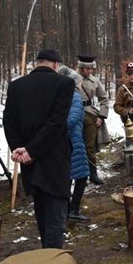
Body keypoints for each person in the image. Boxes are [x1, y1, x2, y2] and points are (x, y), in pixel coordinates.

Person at [3, 49, 74, 249]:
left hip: (29, 161)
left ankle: (47, 259)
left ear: (38, 63)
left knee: (42, 212)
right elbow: (56, 123)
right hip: (53, 159)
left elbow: (8, 120)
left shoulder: (17, 86)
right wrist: (30, 151)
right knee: (55, 217)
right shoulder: (64, 83)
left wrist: (20, 148)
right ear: (55, 64)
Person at [58, 65, 90, 223]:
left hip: (66, 140)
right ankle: (73, 210)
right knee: (82, 175)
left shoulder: (60, 95)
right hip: (73, 140)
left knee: (68, 175)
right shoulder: (74, 96)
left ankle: (66, 210)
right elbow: (72, 118)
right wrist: (62, 130)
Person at [77, 55, 110, 185]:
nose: (89, 71)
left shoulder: (95, 81)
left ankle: (93, 174)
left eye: (91, 69)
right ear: (81, 67)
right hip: (73, 115)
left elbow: (104, 99)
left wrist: (101, 116)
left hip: (89, 114)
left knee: (89, 146)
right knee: (76, 146)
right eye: (87, 69)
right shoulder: (71, 79)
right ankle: (80, 176)